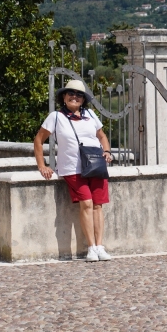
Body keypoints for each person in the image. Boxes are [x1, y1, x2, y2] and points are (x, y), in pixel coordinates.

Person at [34, 79, 113, 262]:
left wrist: (107, 151)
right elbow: (39, 140)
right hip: (72, 168)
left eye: (79, 95)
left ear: (83, 99)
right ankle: (91, 248)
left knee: (98, 206)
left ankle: (100, 246)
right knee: (86, 203)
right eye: (71, 93)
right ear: (64, 96)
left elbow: (102, 136)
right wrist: (42, 165)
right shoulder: (56, 117)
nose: (74, 97)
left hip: (95, 165)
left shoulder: (91, 115)